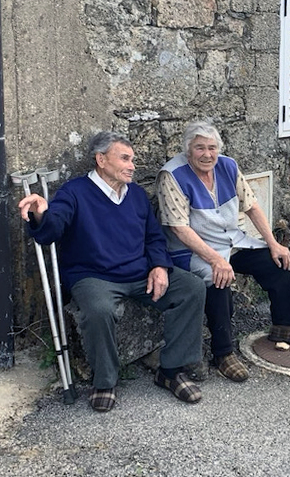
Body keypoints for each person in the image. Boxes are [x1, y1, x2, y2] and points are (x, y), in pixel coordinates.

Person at [18, 131, 206, 412]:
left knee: (192, 288)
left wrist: (159, 265)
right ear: (101, 159)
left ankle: (170, 371)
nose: (132, 165)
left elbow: (153, 237)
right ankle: (105, 381)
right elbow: (51, 232)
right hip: (93, 275)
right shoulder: (75, 192)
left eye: (133, 159)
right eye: (125, 158)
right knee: (98, 308)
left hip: (139, 272)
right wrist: (41, 215)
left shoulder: (137, 196)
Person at [155, 120, 290, 382]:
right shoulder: (172, 175)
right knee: (216, 276)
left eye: (212, 148)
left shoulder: (228, 166)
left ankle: (284, 326)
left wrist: (274, 243)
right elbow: (178, 229)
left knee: (276, 261)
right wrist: (216, 260)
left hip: (231, 240)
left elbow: (251, 206)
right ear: (188, 150)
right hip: (192, 249)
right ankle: (223, 353)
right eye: (199, 148)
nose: (207, 155)